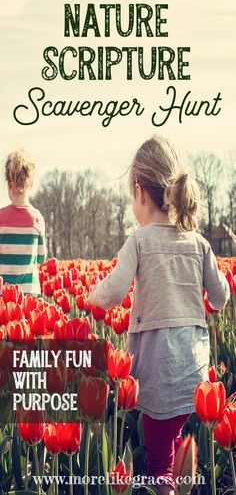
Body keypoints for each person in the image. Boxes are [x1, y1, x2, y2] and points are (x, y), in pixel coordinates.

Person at [88, 135, 230, 495]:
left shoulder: (139, 240)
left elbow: (115, 291)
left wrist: (93, 296)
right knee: (177, 438)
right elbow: (220, 296)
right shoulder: (198, 243)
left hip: (157, 365)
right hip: (194, 367)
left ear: (139, 191)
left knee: (158, 462)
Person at [0, 149, 47, 296]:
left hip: (4, 295)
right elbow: (41, 258)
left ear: (9, 184)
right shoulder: (37, 219)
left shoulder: (1, 218)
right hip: (30, 294)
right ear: (31, 184)